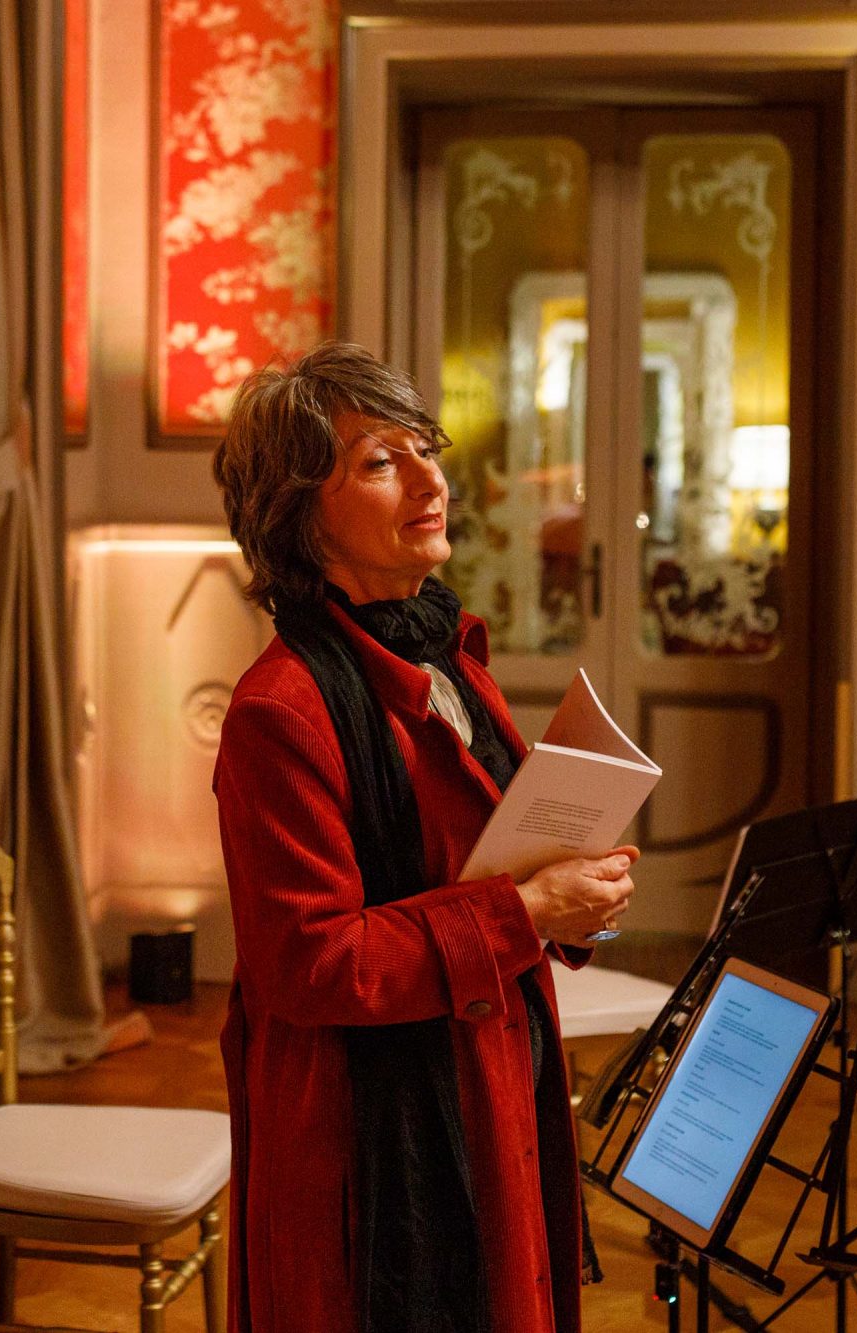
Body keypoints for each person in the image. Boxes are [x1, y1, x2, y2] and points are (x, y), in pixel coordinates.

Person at [210, 342, 633, 1333]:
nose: (429, 480)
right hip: (368, 1139)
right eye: (379, 461)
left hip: (490, 1074)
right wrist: (528, 911)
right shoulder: (280, 711)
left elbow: (492, 860)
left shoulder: (445, 651)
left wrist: (579, 905)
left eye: (425, 450)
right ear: (300, 515)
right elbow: (311, 964)